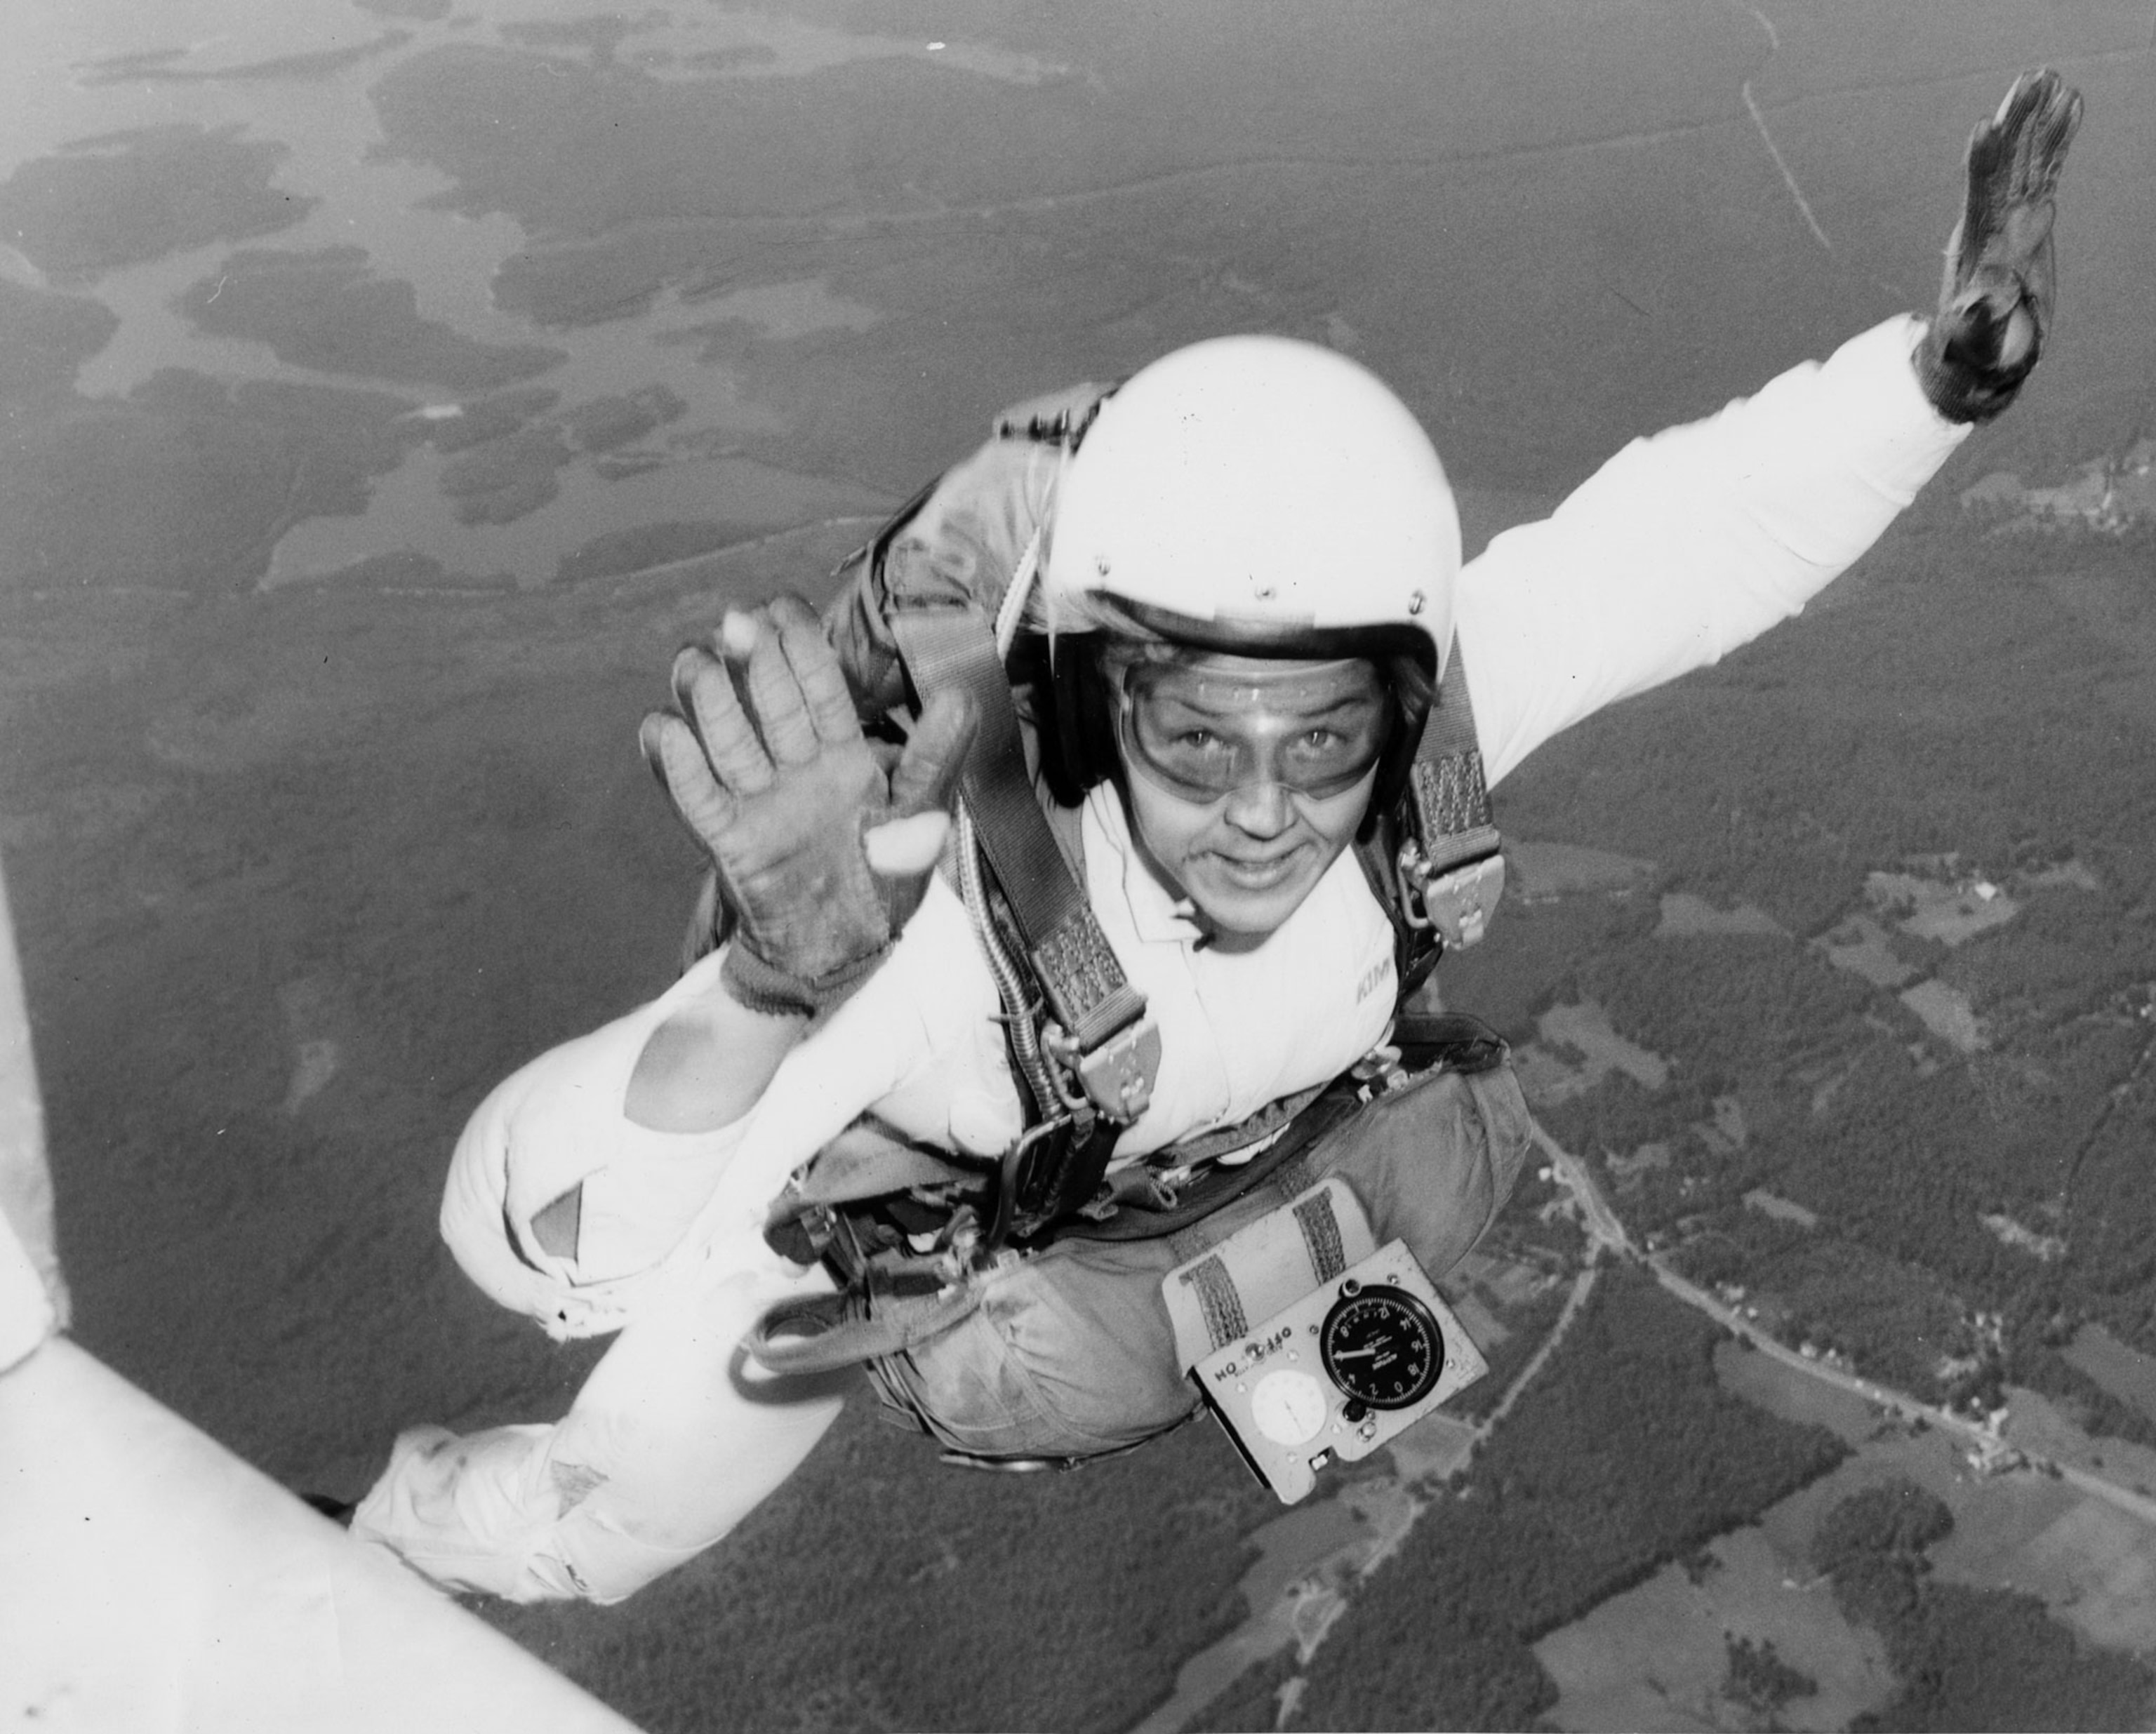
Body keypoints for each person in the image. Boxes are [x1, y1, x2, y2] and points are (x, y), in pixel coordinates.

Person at [348, 72, 2080, 1603]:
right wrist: (766, 987)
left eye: (1322, 739)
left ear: (1400, 706)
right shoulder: (931, 920)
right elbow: (555, 1257)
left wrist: (1935, 386)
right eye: (1194, 737)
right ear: (1091, 709)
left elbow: (1687, 540)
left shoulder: (1432, 751)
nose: (1264, 811)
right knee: (610, 1517)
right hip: (932, 1246)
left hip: (1236, 1180)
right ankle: (414, 1541)